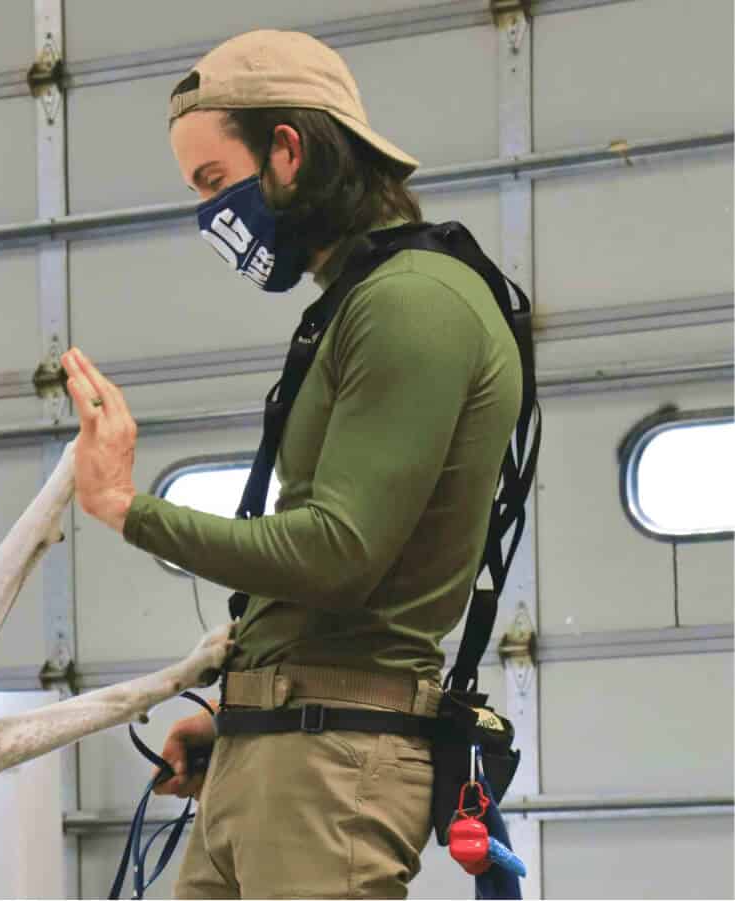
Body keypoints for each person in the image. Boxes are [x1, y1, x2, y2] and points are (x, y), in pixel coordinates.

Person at [59, 29, 523, 899]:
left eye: (212, 180)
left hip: (329, 769)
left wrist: (127, 506)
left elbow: (338, 552)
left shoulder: (412, 303)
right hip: (277, 748)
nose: (210, 213)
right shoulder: (362, 301)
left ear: (288, 149)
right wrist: (238, 703)